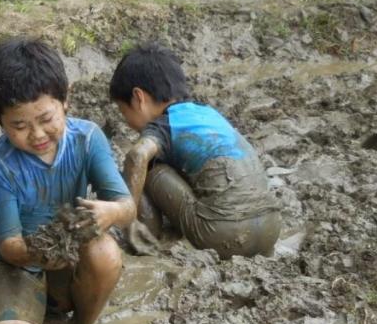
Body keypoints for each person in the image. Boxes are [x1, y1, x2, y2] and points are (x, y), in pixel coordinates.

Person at [0, 38, 134, 324]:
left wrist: (109, 214)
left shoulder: (87, 138)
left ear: (65, 101)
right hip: (15, 265)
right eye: (19, 125)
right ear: (0, 121)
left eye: (46, 120)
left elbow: (126, 206)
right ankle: (18, 313)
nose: (36, 135)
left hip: (68, 258)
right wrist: (47, 250)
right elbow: (9, 247)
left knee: (105, 252)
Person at [109, 42, 280, 259]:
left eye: (124, 112)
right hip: (270, 230)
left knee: (146, 167)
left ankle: (145, 236)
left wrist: (127, 215)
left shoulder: (163, 125)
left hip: (223, 234)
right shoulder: (206, 114)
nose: (127, 122)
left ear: (138, 98)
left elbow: (137, 156)